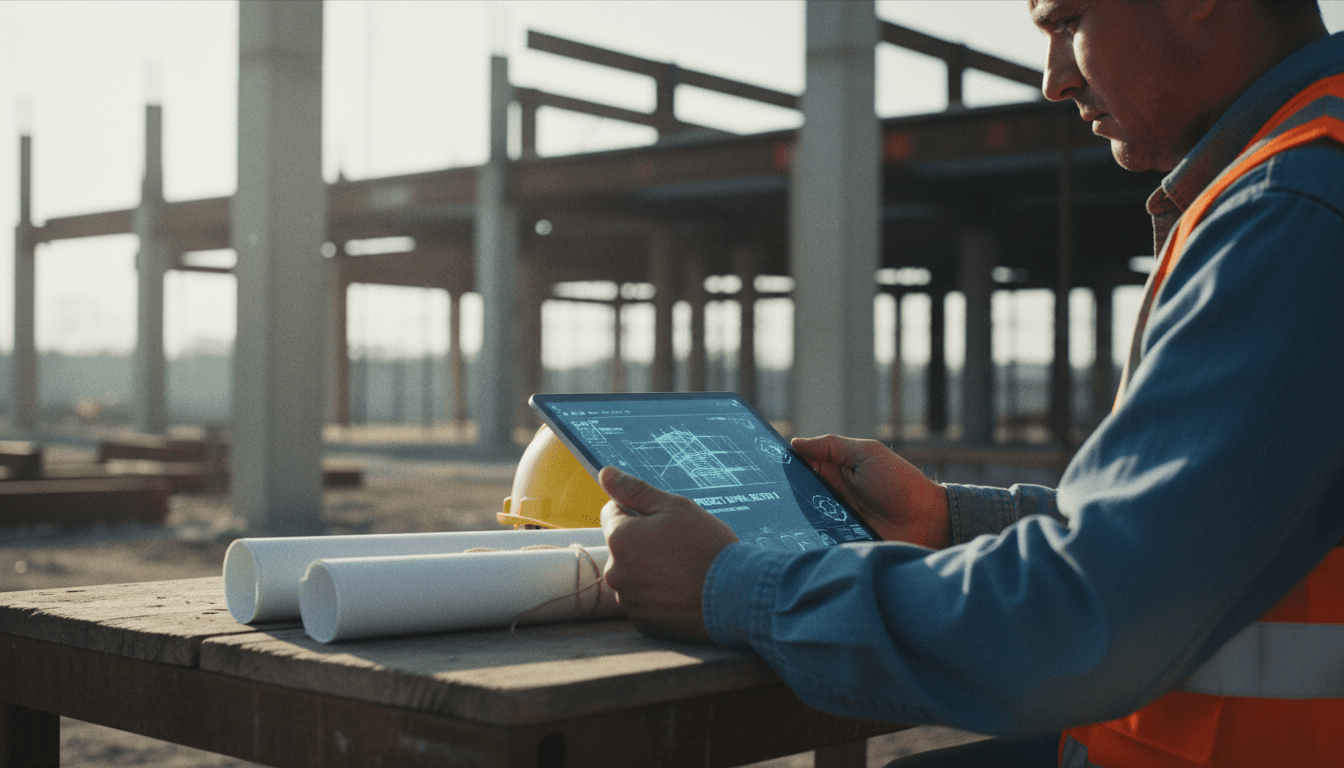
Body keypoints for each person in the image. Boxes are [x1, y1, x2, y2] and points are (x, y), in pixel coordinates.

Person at [597, 1, 1344, 766]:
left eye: (1067, 21)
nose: (1054, 80)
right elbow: (1197, 534)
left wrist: (732, 586)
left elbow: (1087, 620)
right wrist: (944, 521)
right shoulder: (1302, 173)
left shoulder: (1295, 204)